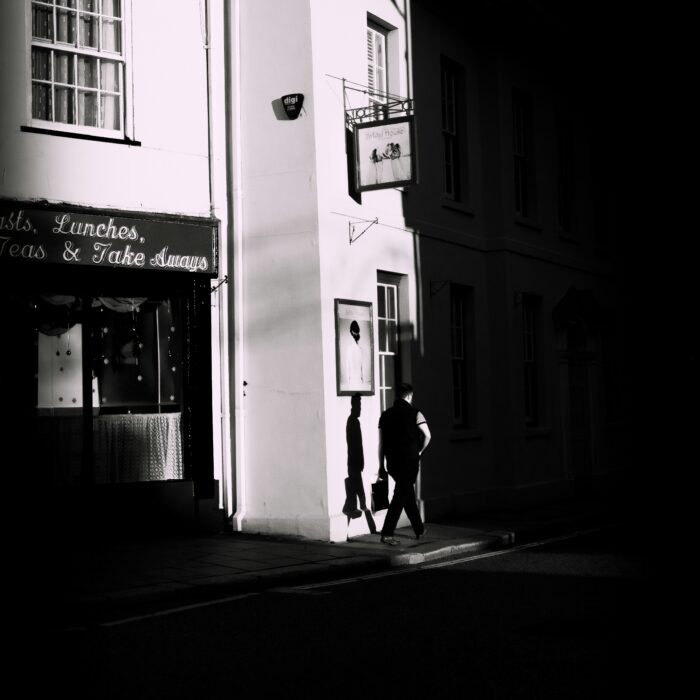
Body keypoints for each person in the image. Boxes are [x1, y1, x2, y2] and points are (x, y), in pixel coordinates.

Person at [377, 382, 431, 545]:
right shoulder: (416, 413)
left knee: (406, 494)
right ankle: (387, 534)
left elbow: (381, 444)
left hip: (392, 462)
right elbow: (428, 436)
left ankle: (419, 529)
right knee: (400, 497)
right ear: (409, 396)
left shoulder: (385, 415)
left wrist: (381, 466)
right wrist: (419, 452)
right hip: (410, 461)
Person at [344, 319, 365, 390]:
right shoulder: (360, 348)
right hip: (358, 379)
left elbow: (347, 366)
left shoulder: (349, 348)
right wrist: (362, 377)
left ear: (351, 332)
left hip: (353, 379)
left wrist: (348, 380)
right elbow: (362, 366)